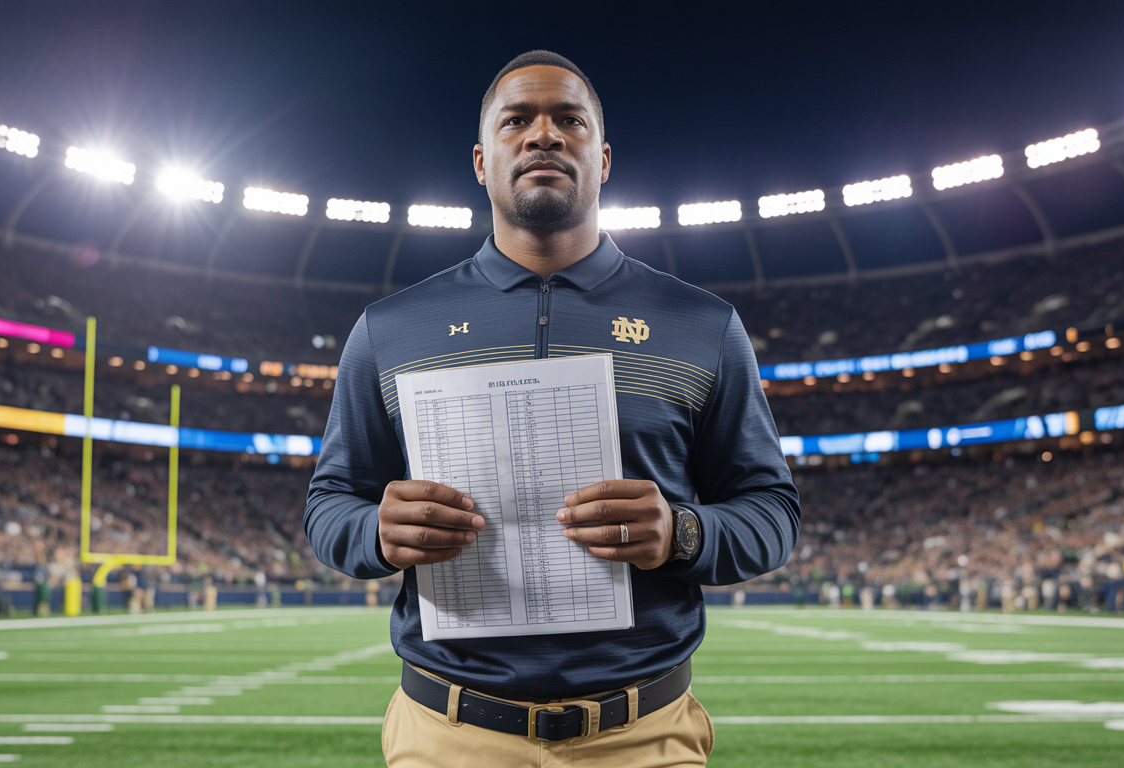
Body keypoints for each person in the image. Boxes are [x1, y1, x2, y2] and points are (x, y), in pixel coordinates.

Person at [305, 50, 799, 767]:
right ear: (481, 161)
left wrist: (682, 531)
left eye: (569, 119)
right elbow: (329, 503)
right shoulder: (391, 328)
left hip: (645, 734)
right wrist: (375, 531)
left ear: (602, 158)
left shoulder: (702, 323)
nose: (544, 135)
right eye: (518, 120)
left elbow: (772, 511)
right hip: (449, 733)